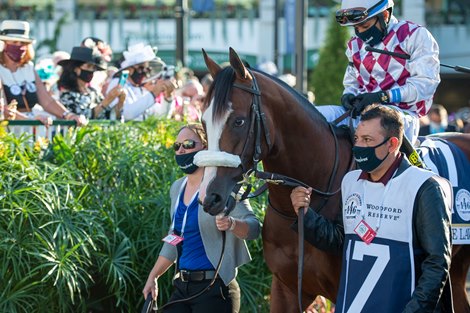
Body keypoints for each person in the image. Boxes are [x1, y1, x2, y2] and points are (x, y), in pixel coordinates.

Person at [290, 105, 453, 312]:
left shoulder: (425, 186)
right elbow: (342, 241)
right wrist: (305, 214)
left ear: (392, 144)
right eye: (357, 139)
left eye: (368, 140)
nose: (358, 146)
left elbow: (437, 262)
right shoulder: (350, 181)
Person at [142, 123, 261, 312]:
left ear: (206, 148)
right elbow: (174, 238)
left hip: (216, 288)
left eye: (188, 144)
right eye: (177, 146)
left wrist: (232, 224)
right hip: (182, 287)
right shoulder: (177, 188)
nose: (181, 150)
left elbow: (254, 228)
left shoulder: (222, 184)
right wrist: (153, 276)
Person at [317, 0, 440, 146]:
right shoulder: (354, 45)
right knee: (313, 115)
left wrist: (383, 97)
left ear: (385, 15)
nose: (360, 32)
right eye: (356, 27)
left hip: (401, 115)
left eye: (365, 26)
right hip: (363, 113)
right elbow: (351, 83)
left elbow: (425, 86)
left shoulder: (415, 35)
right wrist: (348, 96)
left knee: (378, 122)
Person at [0, 20, 85, 125]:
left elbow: (46, 100)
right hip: (10, 129)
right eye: (14, 42)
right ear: (3, 45)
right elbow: (4, 109)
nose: (19, 46)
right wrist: (31, 121)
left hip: (31, 126)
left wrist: (68, 115)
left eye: (23, 43)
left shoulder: (29, 68)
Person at [105, 43, 177, 121]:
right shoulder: (118, 84)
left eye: (147, 69)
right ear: (129, 69)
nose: (144, 72)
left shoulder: (141, 90)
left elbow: (161, 116)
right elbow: (126, 114)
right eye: (141, 68)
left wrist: (168, 98)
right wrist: (154, 92)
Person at [57, 46, 125, 119]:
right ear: (76, 69)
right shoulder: (67, 96)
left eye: (93, 68)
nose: (91, 70)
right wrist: (107, 99)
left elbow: (109, 116)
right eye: (88, 66)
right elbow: (83, 118)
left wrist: (120, 101)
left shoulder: (94, 92)